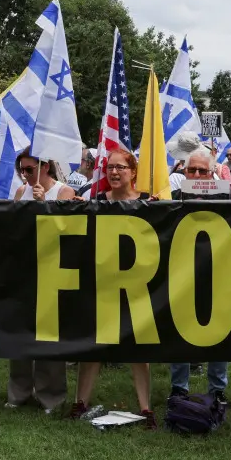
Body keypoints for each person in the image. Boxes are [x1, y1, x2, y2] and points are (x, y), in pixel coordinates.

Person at [67, 149, 156, 429]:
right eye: (110, 167)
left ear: (133, 172)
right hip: (102, 282)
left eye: (120, 167)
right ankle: (80, 402)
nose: (114, 172)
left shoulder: (148, 203)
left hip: (137, 283)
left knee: (138, 350)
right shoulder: (94, 201)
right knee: (94, 345)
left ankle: (146, 408)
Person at [6, 150, 77, 415]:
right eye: (22, 170)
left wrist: (43, 204)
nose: (24, 175)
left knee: (50, 334)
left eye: (29, 169)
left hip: (53, 270)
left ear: (45, 167)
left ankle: (51, 395)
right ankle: (19, 392)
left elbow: (64, 230)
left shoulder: (64, 192)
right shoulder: (19, 192)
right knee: (19, 332)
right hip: (24, 269)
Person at [168, 148, 229, 405]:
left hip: (218, 274)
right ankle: (178, 387)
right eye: (190, 170)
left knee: (219, 331)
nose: (195, 174)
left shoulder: (226, 197)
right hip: (181, 273)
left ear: (212, 172)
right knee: (179, 332)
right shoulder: (171, 197)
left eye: (201, 170)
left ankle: (217, 389)